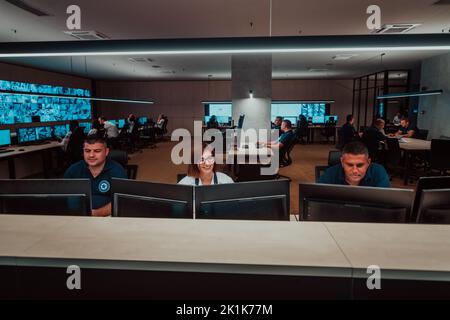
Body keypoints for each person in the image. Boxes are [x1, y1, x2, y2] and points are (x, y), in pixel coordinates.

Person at [64, 135, 127, 216]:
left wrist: (96, 214)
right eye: (87, 151)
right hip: (78, 217)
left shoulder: (117, 171)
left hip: (108, 217)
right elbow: (64, 197)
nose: (91, 155)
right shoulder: (73, 170)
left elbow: (121, 201)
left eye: (97, 151)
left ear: (106, 152)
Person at [318, 141, 390, 187]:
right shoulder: (330, 173)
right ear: (342, 162)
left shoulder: (378, 172)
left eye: (360, 165)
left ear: (368, 163)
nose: (355, 171)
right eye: (349, 165)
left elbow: (386, 203)